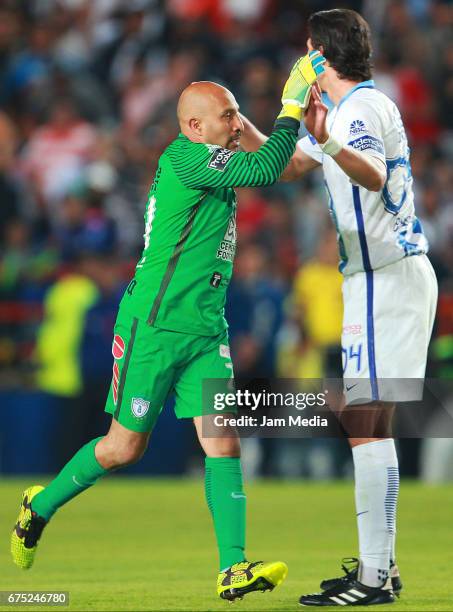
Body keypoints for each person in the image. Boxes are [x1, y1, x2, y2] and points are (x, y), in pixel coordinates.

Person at [11, 52, 326, 602]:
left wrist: (329, 141)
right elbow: (266, 166)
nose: (235, 123)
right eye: (227, 115)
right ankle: (37, 509)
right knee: (122, 448)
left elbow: (288, 165)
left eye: (234, 114)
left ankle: (233, 569)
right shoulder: (187, 158)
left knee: (222, 443)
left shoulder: (215, 151)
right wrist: (289, 104)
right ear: (194, 126)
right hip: (154, 328)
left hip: (206, 328)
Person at [240, 8, 437, 607]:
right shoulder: (353, 111)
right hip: (381, 278)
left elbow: (373, 173)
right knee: (372, 423)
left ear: (319, 55)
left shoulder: (355, 114)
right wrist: (251, 124)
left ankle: (374, 579)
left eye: (308, 53)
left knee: (363, 423)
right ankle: (383, 569)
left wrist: (321, 133)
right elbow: (289, 164)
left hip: (384, 279)